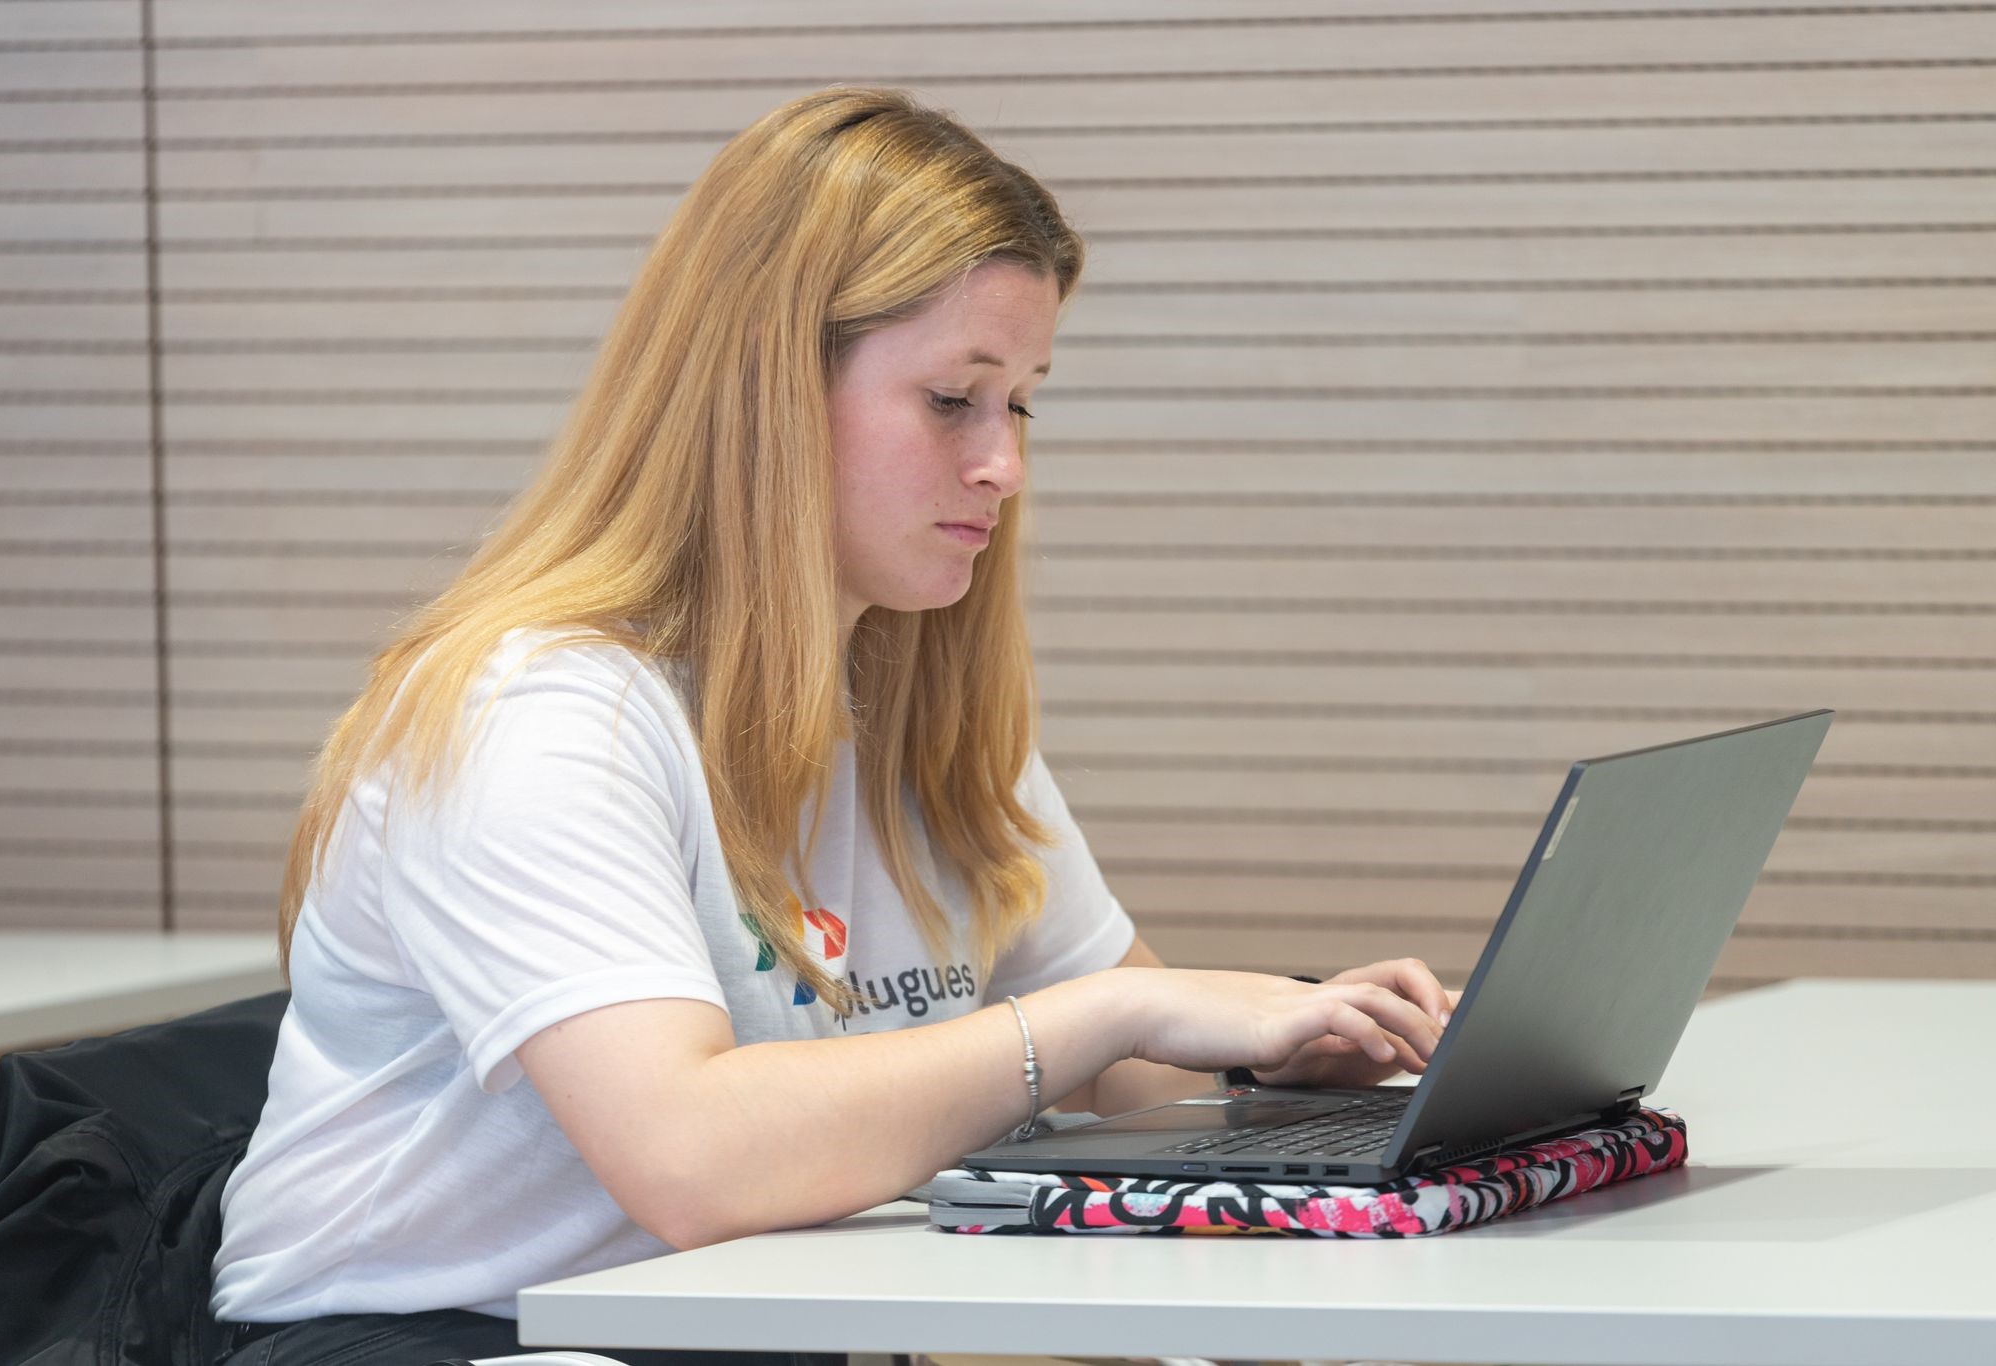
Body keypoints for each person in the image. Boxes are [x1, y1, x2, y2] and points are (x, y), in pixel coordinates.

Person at [206, 86, 1455, 1366]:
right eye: (953, 398)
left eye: (1021, 402)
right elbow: (692, 1158)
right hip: (442, 1340)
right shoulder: (536, 711)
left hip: (755, 1321)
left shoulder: (917, 701)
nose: (1004, 464)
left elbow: (1118, 1071)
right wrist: (1104, 1016)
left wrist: (1285, 1060)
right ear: (768, 392)